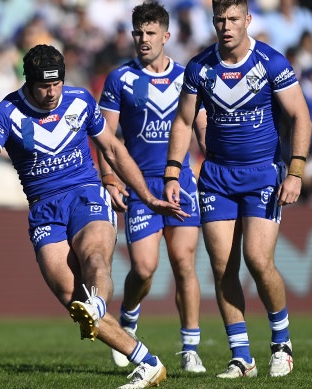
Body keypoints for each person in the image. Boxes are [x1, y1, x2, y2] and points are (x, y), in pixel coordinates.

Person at [0, 44, 187, 389]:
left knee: (95, 260)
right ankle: (148, 363)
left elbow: (114, 150)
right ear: (28, 81)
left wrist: (147, 196)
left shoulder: (81, 100)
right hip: (44, 208)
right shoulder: (7, 112)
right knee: (72, 298)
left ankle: (99, 306)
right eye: (44, 86)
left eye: (56, 83)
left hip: (87, 195)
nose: (51, 92)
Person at [164, 0, 312, 379]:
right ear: (212, 21)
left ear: (247, 20)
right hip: (216, 175)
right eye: (219, 19)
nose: (226, 26)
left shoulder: (271, 62)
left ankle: (282, 345)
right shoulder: (199, 66)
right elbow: (183, 122)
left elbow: (300, 115)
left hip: (263, 173)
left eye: (233, 19)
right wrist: (172, 173)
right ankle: (241, 358)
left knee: (259, 261)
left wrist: (295, 170)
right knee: (221, 266)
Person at [97, 1, 207, 373]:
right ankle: (128, 318)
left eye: (150, 33)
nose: (143, 39)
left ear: (166, 35)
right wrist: (110, 179)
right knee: (144, 268)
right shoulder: (119, 79)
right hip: (139, 186)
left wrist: (217, 158)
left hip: (181, 183)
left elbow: (201, 126)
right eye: (137, 33)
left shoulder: (188, 76)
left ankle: (190, 348)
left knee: (184, 265)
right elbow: (105, 136)